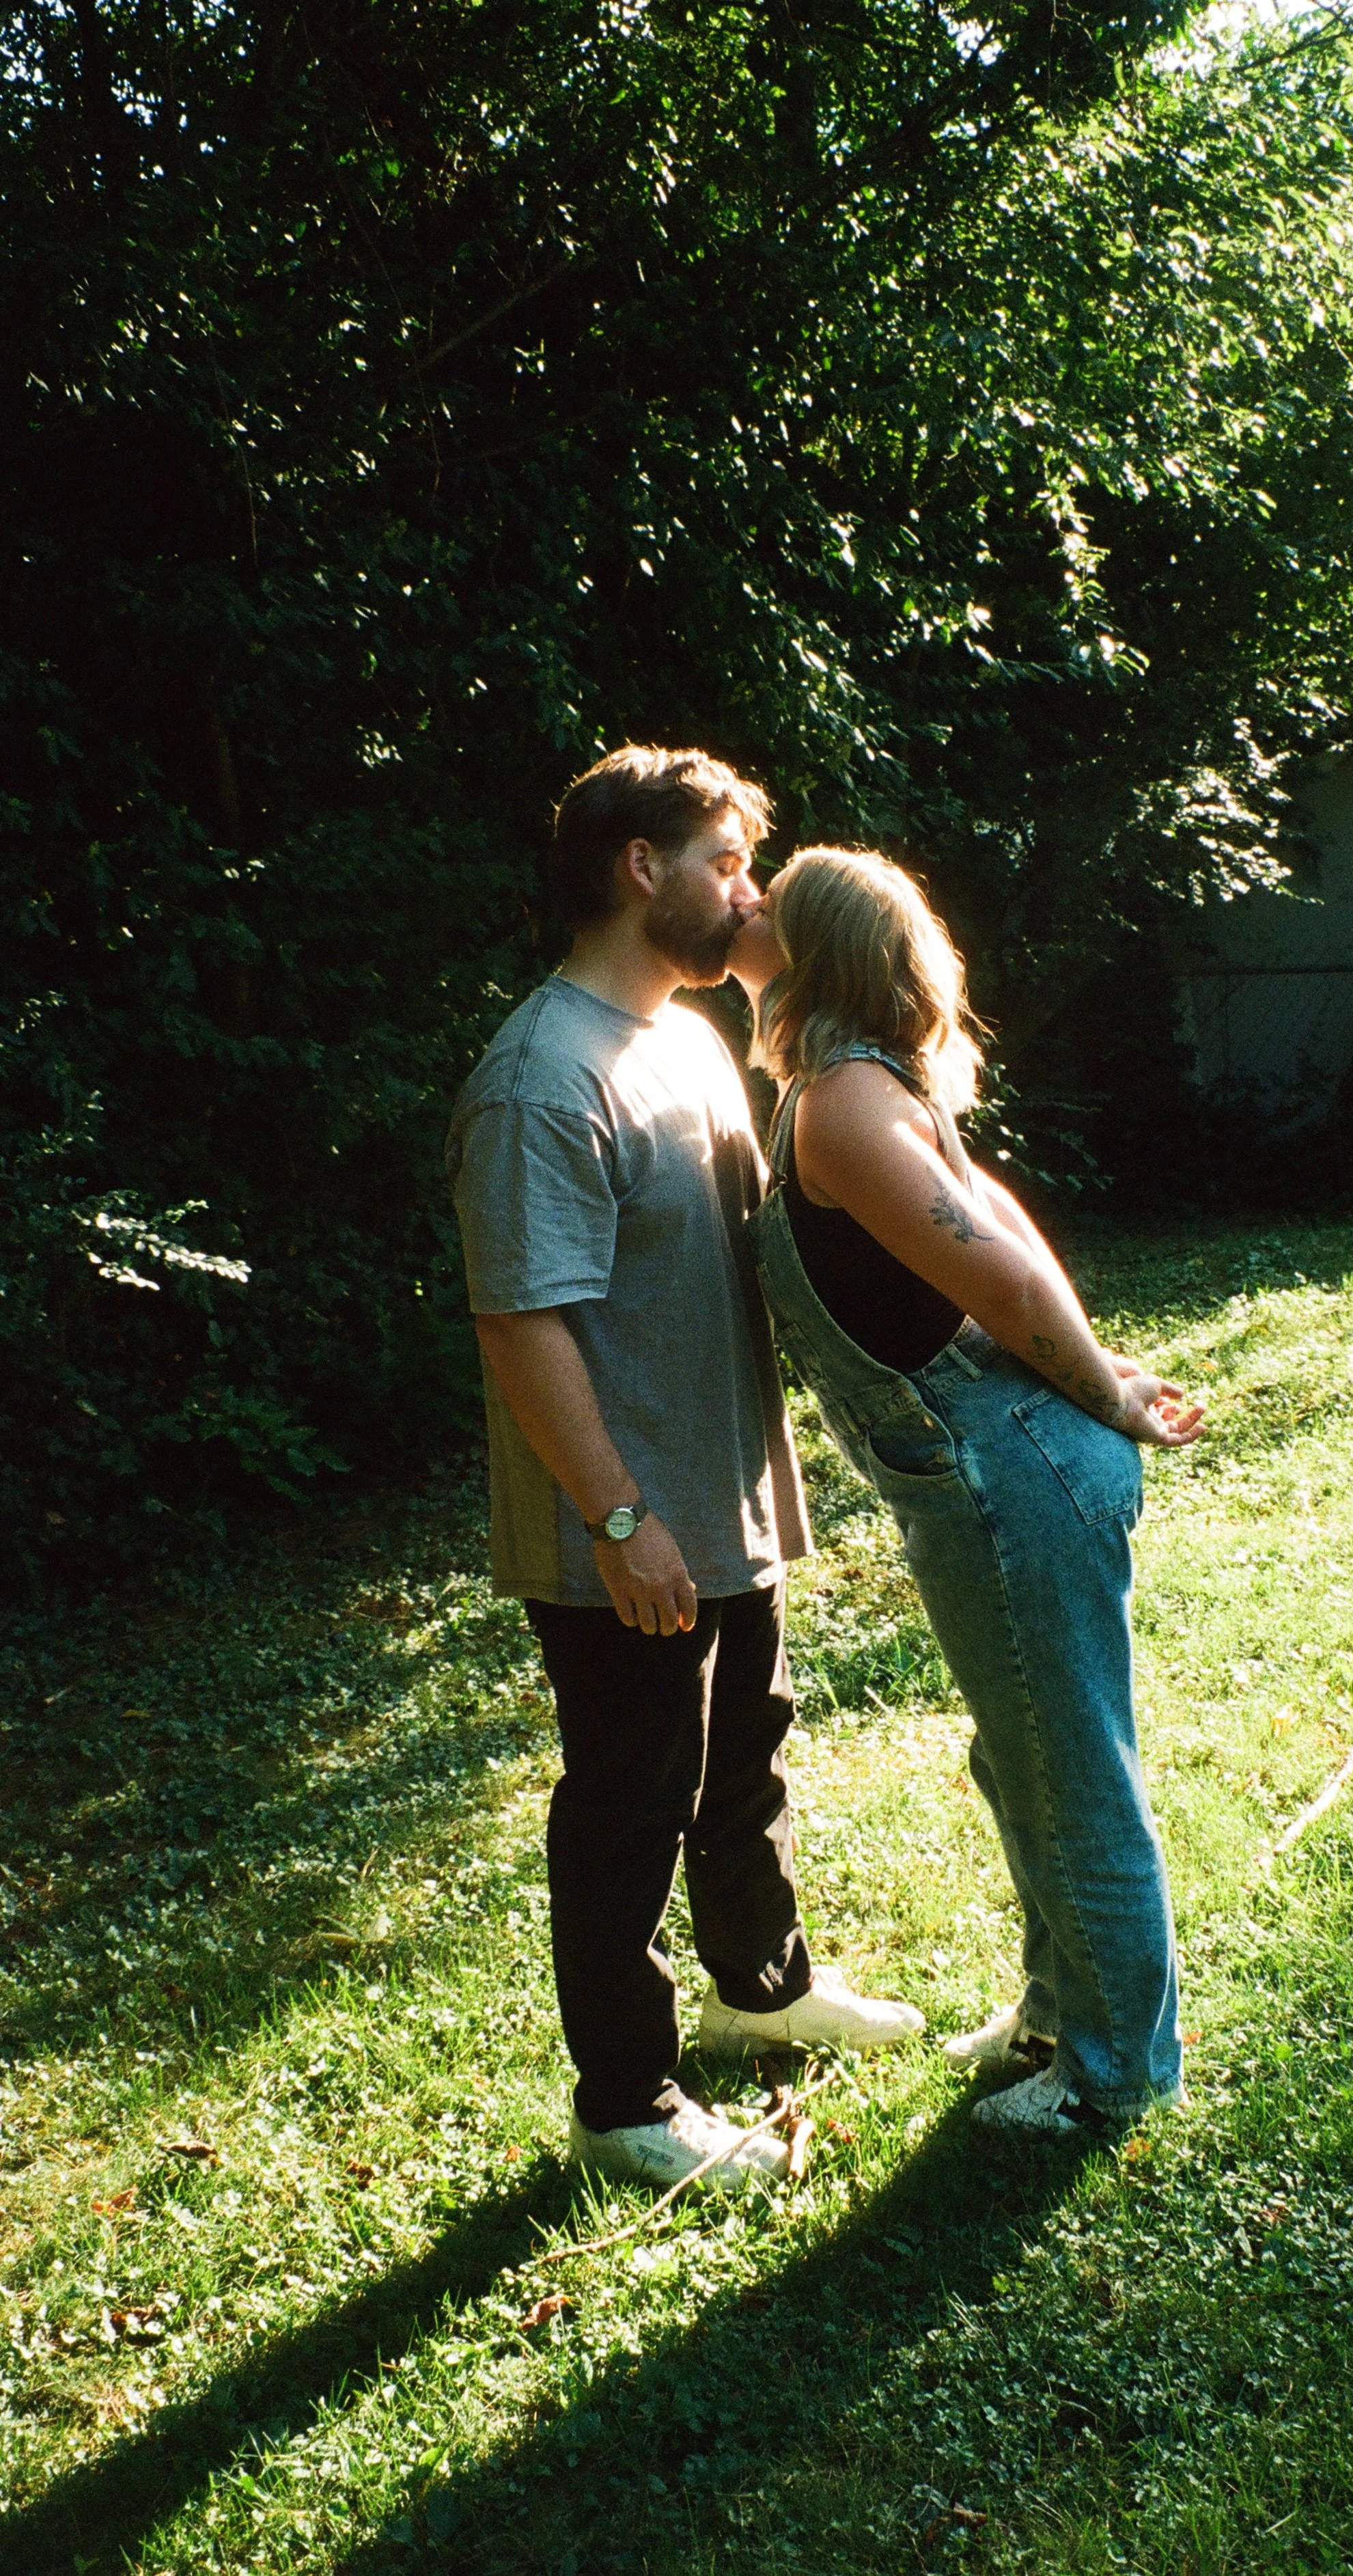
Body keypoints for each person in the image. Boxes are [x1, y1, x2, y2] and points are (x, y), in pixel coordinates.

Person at [446, 753, 922, 2193]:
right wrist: (619, 1517)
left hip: (718, 1501)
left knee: (741, 1757)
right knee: (627, 1798)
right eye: (724, 859)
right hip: (623, 1528)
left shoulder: (688, 1040)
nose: (750, 891)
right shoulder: (543, 1079)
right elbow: (520, 1323)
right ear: (634, 866)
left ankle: (758, 1987)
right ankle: (626, 2103)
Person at [732, 847, 1203, 2137]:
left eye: (766, 898)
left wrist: (1099, 1387)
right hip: (986, 1476)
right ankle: (1065, 2004)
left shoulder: (842, 1101)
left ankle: (1114, 2073)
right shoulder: (862, 1088)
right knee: (1026, 1761)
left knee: (1069, 1769)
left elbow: (994, 1267)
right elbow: (1003, 1226)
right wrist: (1095, 1367)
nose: (742, 906)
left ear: (813, 947)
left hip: (1011, 1474)